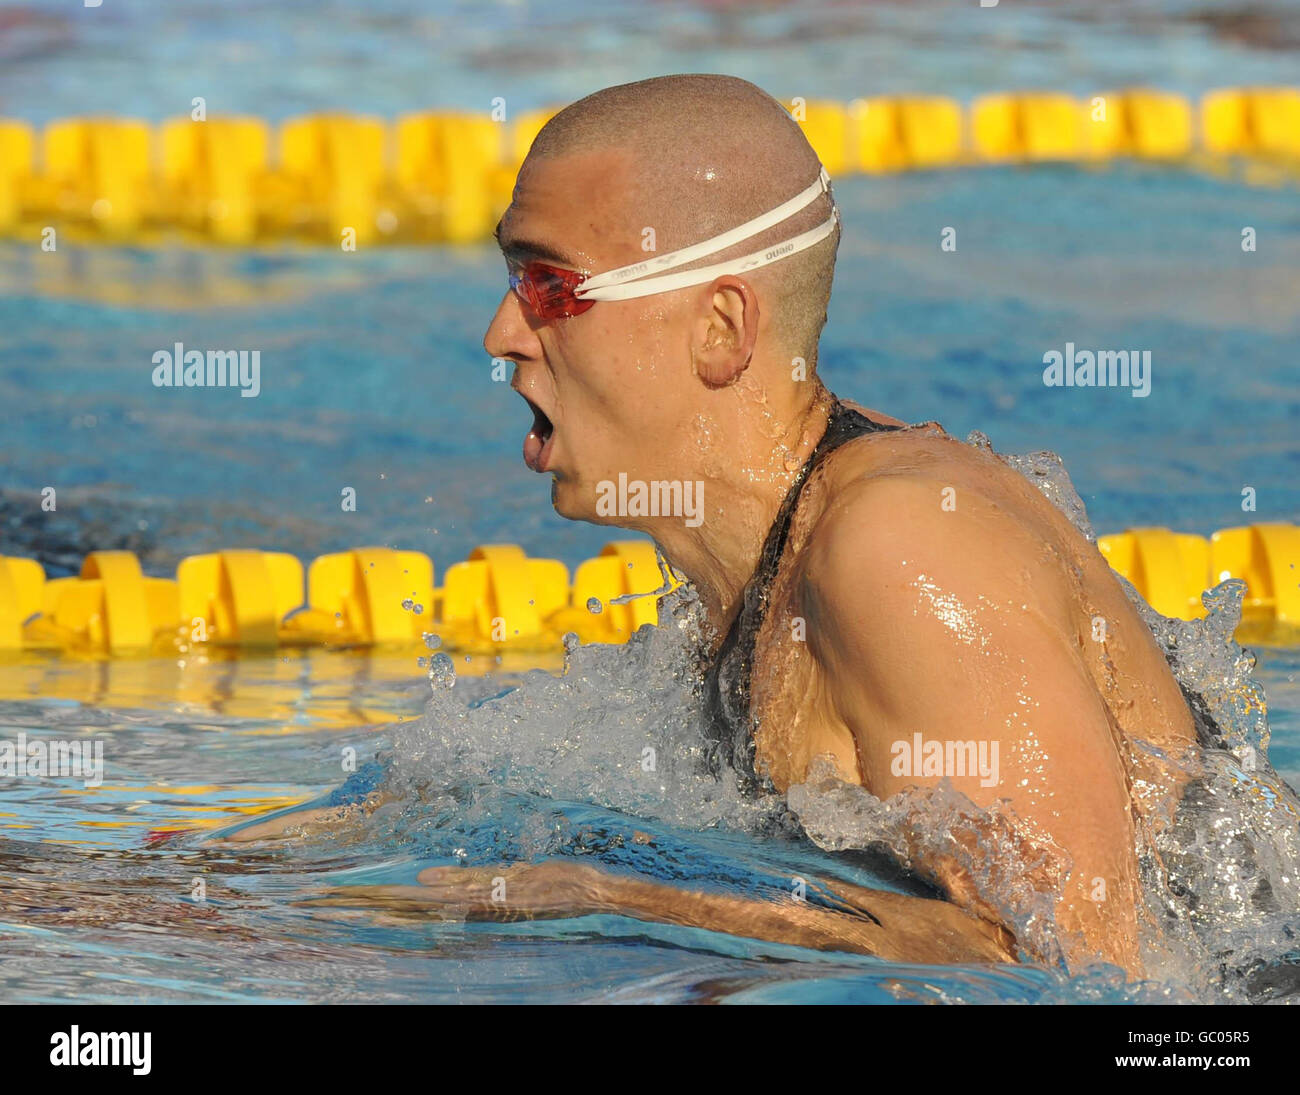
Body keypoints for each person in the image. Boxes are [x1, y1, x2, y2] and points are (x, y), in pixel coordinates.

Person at [234, 74, 1202, 975]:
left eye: (549, 286)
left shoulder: (900, 547)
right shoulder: (750, 579)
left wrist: (618, 902)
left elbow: (1091, 965)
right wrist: (189, 884)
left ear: (719, 328)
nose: (502, 332)